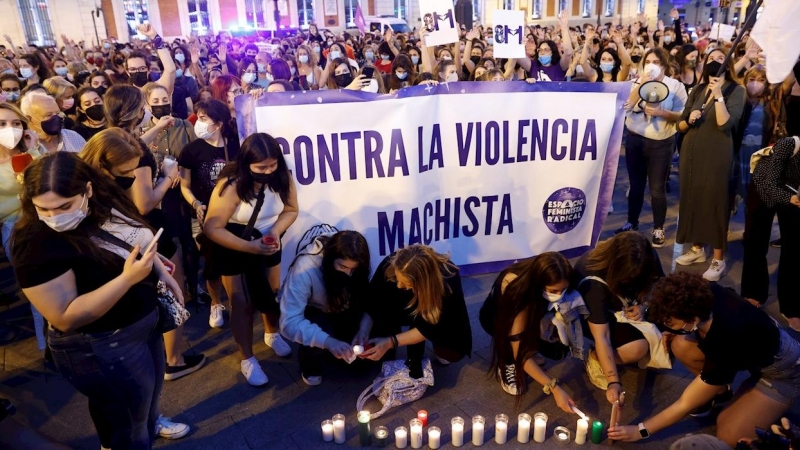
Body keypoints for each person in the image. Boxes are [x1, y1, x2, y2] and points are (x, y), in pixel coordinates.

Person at [11, 152, 180, 448]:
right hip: (102, 344)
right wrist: (128, 278)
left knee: (143, 407)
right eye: (43, 209)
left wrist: (157, 267)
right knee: (130, 425)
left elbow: (128, 236)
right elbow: (65, 317)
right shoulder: (34, 243)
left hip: (139, 327)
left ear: (88, 190)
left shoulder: (101, 203)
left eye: (64, 206)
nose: (54, 218)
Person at [608, 272, 800, 447]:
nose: (667, 325)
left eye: (670, 322)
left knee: (728, 434)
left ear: (693, 319)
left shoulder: (725, 339)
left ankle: (736, 395)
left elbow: (685, 403)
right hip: (752, 351)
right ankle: (720, 390)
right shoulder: (704, 292)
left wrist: (640, 430)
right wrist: (668, 327)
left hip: (783, 375)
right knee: (680, 343)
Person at [79, 128, 206, 384]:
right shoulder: (86, 199)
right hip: (119, 304)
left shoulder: (105, 186)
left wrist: (158, 264)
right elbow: (141, 207)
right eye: (126, 173)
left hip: (142, 272)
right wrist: (167, 179)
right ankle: (173, 361)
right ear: (102, 166)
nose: (130, 178)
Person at [202, 132, 298, 386]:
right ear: (247, 163)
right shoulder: (231, 185)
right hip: (234, 243)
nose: (268, 171)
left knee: (271, 291)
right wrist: (250, 246)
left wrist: (275, 232)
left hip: (267, 242)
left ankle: (271, 333)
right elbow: (213, 227)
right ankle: (247, 358)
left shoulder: (283, 177)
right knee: (242, 303)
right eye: (261, 167)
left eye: (273, 164)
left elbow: (291, 210)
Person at [674, 49, 746, 281]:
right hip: (691, 153)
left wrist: (718, 95)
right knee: (693, 198)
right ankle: (697, 249)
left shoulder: (737, 90)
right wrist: (689, 118)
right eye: (711, 58)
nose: (714, 62)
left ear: (729, 64)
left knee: (715, 202)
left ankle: (718, 259)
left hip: (717, 156)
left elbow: (726, 123)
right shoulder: (697, 88)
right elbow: (680, 126)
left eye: (719, 59)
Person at [480, 252, 580, 413]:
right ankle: (507, 361)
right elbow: (519, 347)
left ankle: (532, 346)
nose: (558, 295)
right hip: (497, 319)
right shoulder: (516, 285)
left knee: (557, 349)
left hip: (533, 314)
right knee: (516, 348)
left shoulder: (558, 275)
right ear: (539, 282)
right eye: (553, 291)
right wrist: (554, 388)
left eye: (563, 290)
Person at [575, 232, 666, 405]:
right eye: (629, 277)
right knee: (638, 348)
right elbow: (602, 335)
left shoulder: (644, 255)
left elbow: (659, 284)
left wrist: (644, 305)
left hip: (627, 308)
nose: (633, 280)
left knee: (669, 336)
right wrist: (613, 381)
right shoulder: (592, 279)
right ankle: (595, 357)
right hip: (596, 318)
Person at [279, 230, 374, 385]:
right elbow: (289, 323)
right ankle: (308, 359)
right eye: (343, 266)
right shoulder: (304, 268)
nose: (349, 274)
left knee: (362, 366)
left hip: (343, 305)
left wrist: (364, 329)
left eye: (354, 269)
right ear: (330, 259)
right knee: (321, 330)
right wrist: (328, 341)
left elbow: (367, 299)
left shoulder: (355, 266)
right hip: (314, 310)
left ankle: (339, 342)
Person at [362, 245, 472, 377]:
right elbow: (372, 301)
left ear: (425, 283)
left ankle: (433, 348)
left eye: (406, 284)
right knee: (384, 304)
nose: (399, 285)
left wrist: (390, 342)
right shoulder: (390, 263)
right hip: (400, 305)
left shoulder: (447, 279)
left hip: (432, 312)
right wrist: (363, 331)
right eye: (397, 279)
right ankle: (392, 336)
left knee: (451, 352)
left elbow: (428, 327)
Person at [618, 47, 688, 248]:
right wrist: (641, 83)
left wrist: (663, 113)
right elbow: (627, 107)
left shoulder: (675, 86)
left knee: (657, 189)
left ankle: (658, 227)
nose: (651, 66)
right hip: (635, 139)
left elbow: (683, 114)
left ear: (665, 65)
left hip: (661, 142)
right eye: (648, 61)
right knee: (636, 185)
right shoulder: (636, 82)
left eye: (656, 62)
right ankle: (632, 222)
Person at [178, 99, 239, 328]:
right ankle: (216, 303)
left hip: (234, 215)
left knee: (232, 262)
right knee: (212, 264)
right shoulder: (191, 150)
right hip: (202, 217)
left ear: (219, 123)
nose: (197, 123)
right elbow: (185, 185)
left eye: (203, 119)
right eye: (197, 117)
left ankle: (237, 303)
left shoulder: (236, 145)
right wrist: (196, 204)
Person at [741, 137, 800, 332]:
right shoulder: (789, 144)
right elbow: (770, 183)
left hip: (792, 192)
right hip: (764, 188)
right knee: (755, 242)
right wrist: (791, 198)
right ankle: (753, 293)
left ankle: (791, 306)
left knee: (793, 246)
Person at [19, 92, 86, 154]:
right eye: (49, 115)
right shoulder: (23, 146)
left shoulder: (73, 137)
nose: (56, 118)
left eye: (57, 113)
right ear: (29, 120)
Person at [517, 11, 573, 82]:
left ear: (552, 52)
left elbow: (568, 53)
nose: (542, 52)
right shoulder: (533, 66)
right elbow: (517, 55)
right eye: (540, 50)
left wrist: (564, 28)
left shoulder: (559, 67)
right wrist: (522, 27)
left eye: (546, 50)